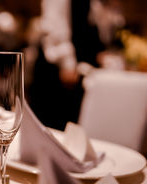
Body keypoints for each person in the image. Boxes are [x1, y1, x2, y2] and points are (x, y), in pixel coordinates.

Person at [28, 0, 106, 130]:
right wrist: (66, 63)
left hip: (78, 66)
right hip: (56, 66)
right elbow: (54, 22)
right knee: (53, 125)